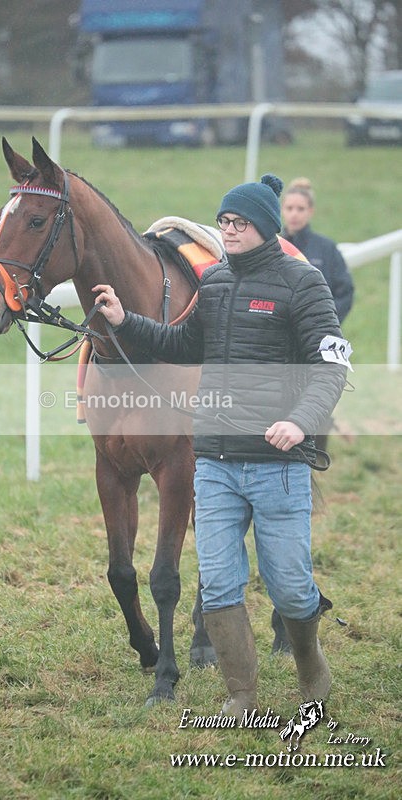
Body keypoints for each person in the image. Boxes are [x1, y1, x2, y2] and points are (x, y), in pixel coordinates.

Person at [93, 174, 351, 719]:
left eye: (240, 223)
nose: (228, 230)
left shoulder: (304, 283)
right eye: (224, 221)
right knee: (219, 584)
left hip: (278, 464)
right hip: (214, 462)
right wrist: (125, 321)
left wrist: (300, 421)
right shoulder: (213, 283)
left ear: (266, 226)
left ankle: (311, 665)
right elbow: (180, 343)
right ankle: (241, 694)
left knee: (290, 587)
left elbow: (331, 366)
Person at [281, 177, 354, 324]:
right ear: (282, 209)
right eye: (289, 208)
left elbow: (345, 292)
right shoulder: (274, 246)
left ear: (310, 211)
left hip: (317, 330)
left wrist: (325, 323)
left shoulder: (327, 248)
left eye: (300, 209)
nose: (294, 214)